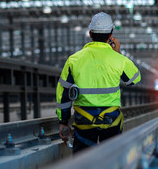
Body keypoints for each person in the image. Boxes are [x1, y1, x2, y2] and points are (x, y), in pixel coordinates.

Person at [56, 12, 141, 153]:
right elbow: (134, 79)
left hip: (83, 120)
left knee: (82, 163)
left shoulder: (74, 59)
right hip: (111, 120)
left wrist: (63, 122)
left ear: (90, 34)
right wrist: (118, 54)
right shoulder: (118, 59)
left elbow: (63, 93)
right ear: (111, 35)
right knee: (113, 160)